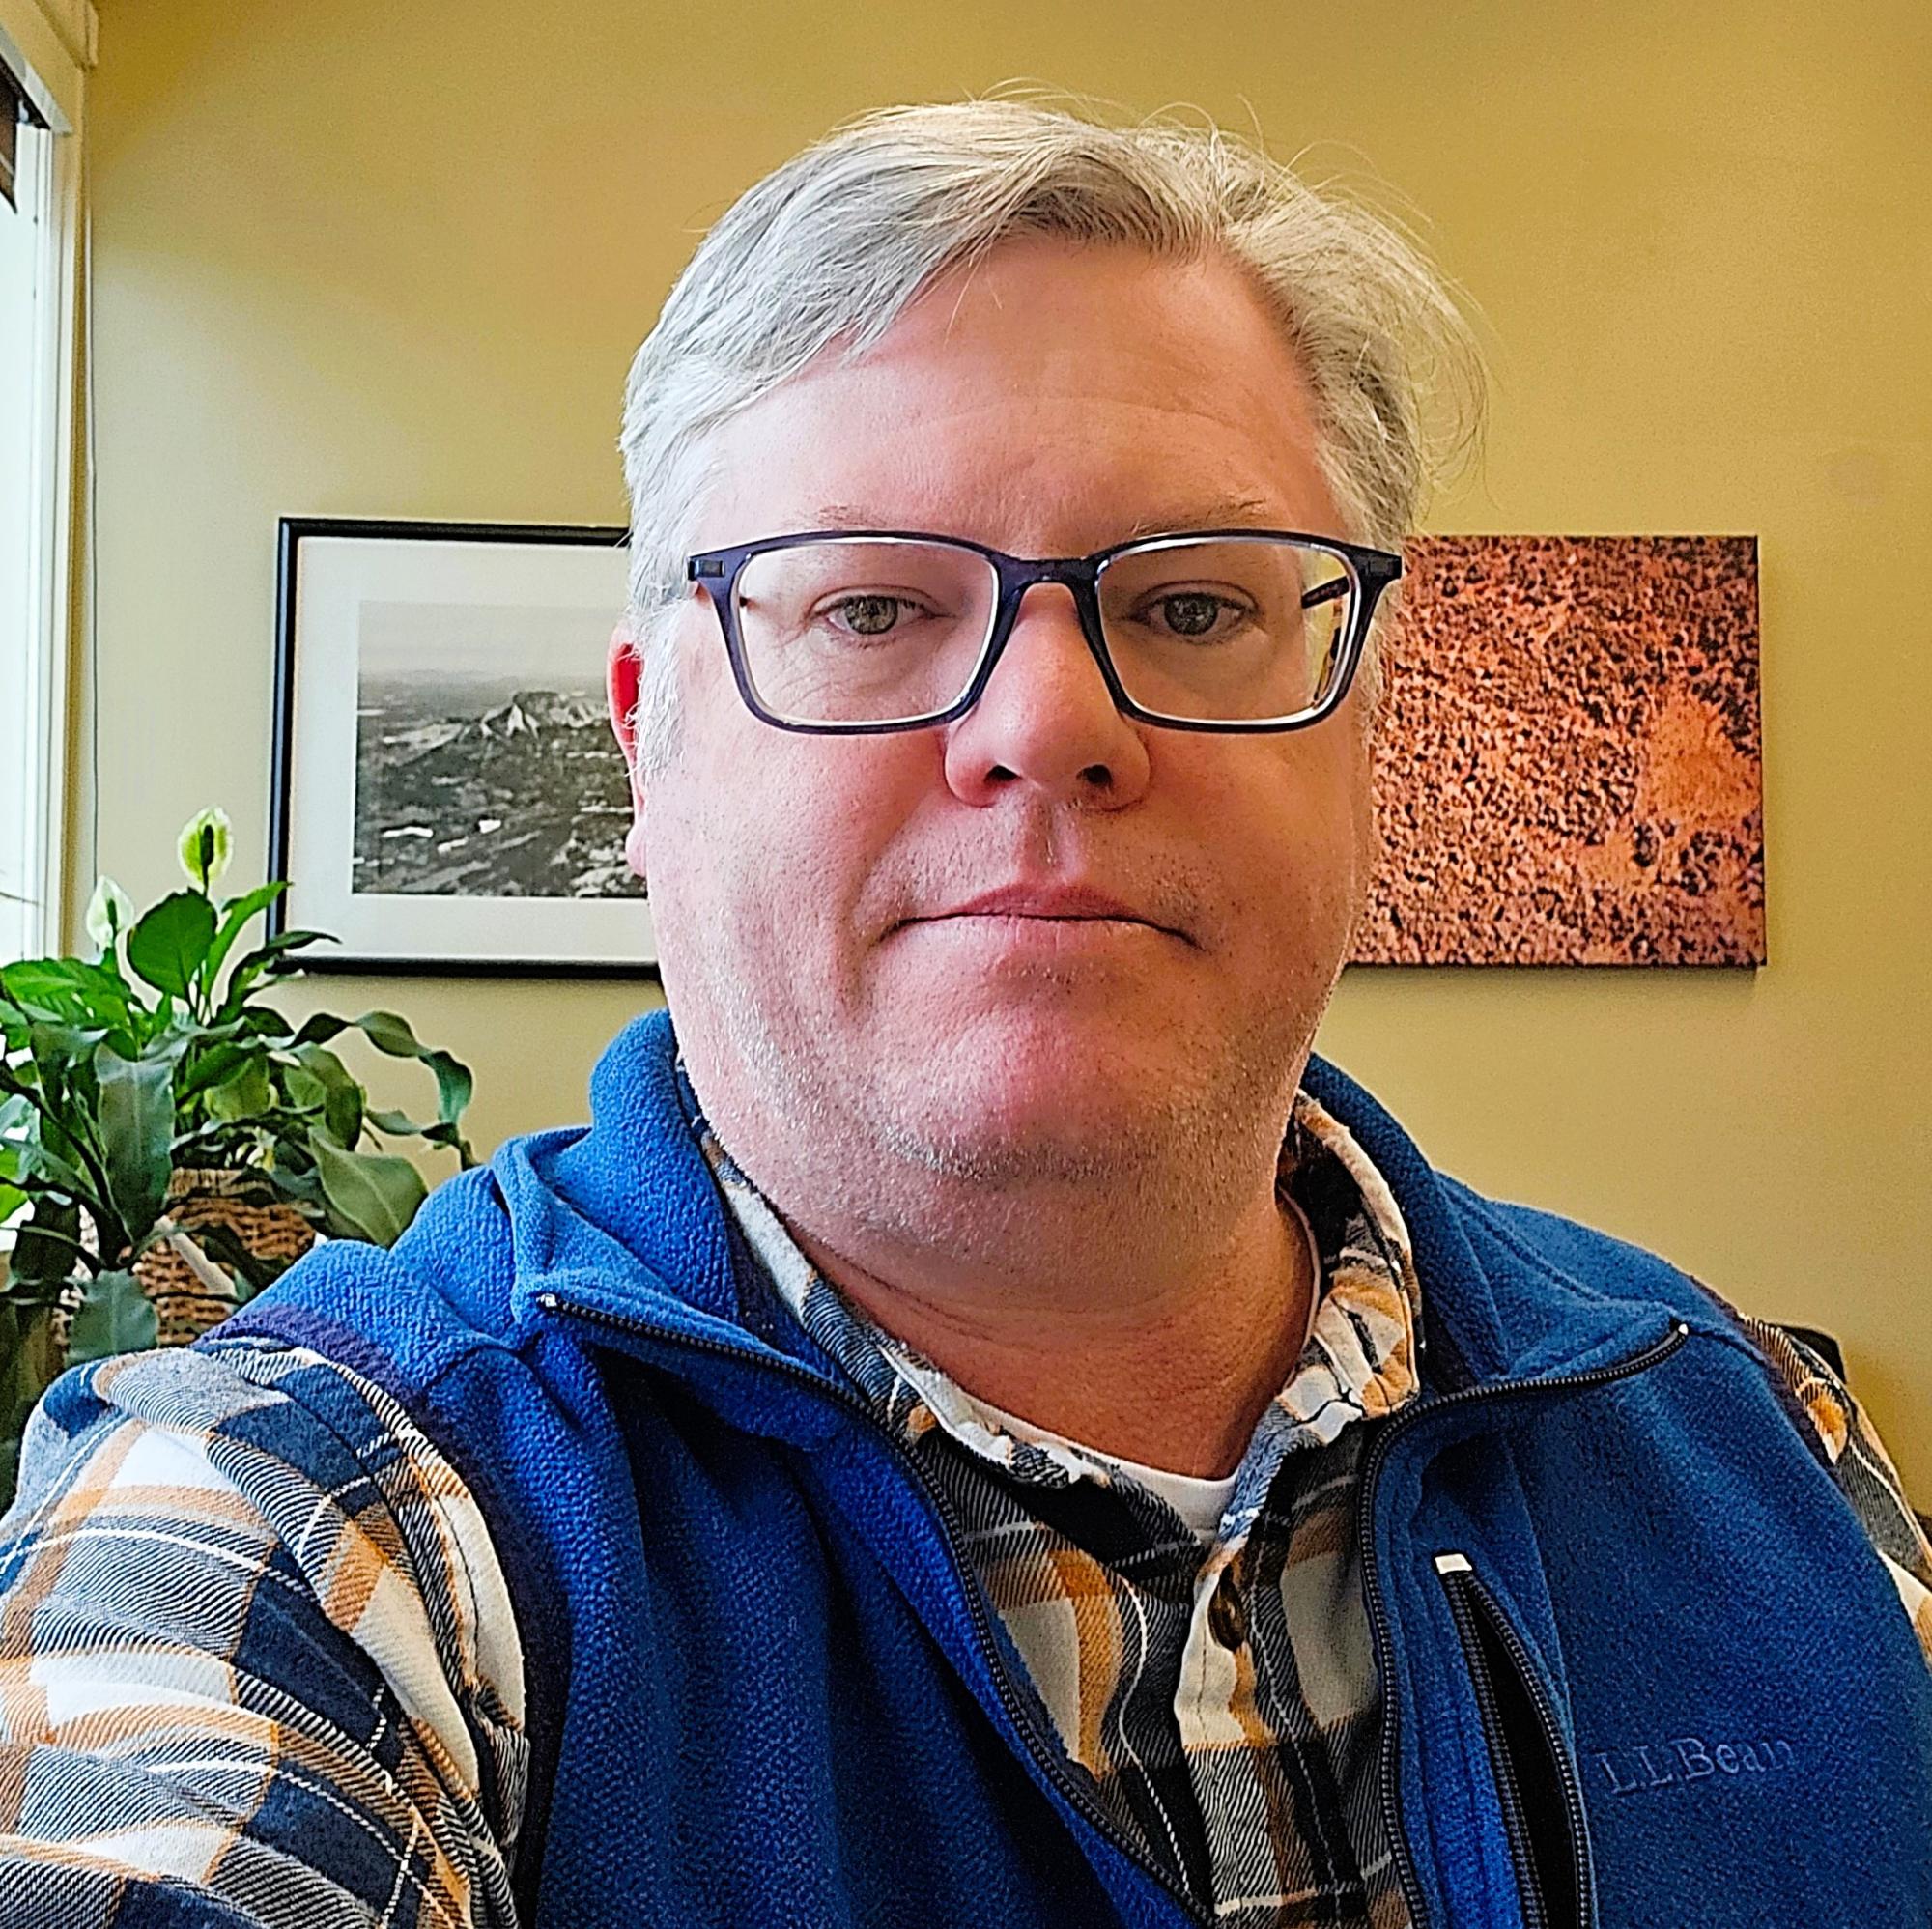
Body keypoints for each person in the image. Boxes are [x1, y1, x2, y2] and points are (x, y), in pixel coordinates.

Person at [2, 98, 1928, 1929]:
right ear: (645, 751)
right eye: (867, 610)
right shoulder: (304, 1519)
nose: (1046, 725)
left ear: (1365, 744)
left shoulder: (1747, 1429)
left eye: (1190, 607)